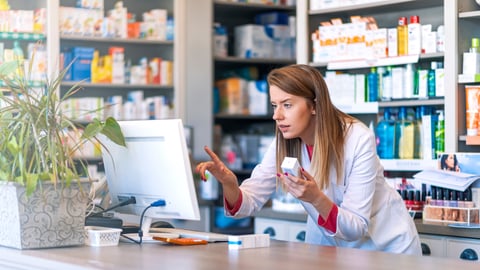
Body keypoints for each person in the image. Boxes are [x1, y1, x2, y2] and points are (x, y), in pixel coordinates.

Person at [196, 64, 422, 255]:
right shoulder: (284, 141)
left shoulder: (357, 138)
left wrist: (316, 198)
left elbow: (355, 227)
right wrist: (229, 184)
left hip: (385, 248)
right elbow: (249, 202)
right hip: (332, 250)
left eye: (287, 105)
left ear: (314, 105)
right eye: (275, 106)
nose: (277, 115)